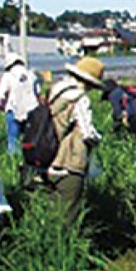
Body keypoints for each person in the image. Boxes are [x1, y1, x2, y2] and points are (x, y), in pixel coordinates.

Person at [46, 57, 105, 223]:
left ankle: (47, 245)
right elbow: (87, 133)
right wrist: (99, 138)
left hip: (47, 160)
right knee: (69, 216)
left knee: (52, 212)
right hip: (69, 163)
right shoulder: (79, 98)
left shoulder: (55, 92)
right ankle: (64, 247)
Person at [0, 54, 39, 155]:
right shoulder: (31, 74)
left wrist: (2, 107)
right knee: (29, 140)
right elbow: (38, 94)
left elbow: (0, 96)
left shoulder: (8, 75)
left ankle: (13, 164)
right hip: (31, 111)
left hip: (13, 110)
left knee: (13, 140)